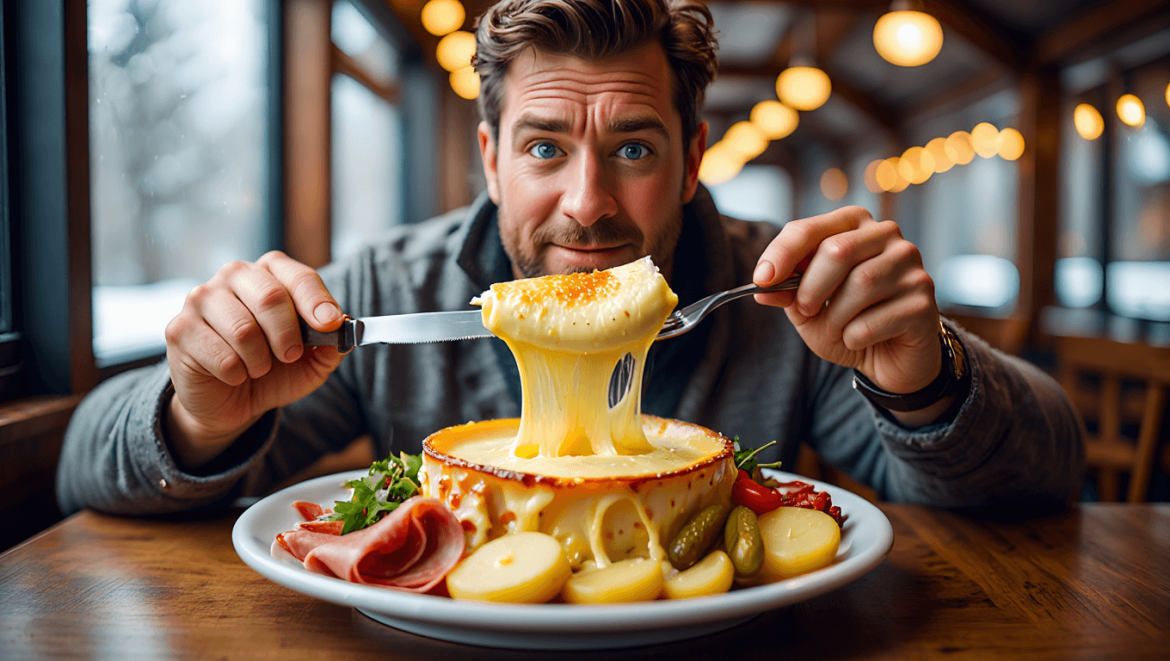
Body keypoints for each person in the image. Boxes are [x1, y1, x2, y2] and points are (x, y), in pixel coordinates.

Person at [57, 0, 1082, 516]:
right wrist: (198, 415)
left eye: (633, 149)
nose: (587, 205)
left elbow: (1048, 475)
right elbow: (79, 471)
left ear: (692, 161)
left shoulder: (779, 294)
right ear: (491, 159)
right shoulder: (384, 288)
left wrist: (927, 380)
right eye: (546, 149)